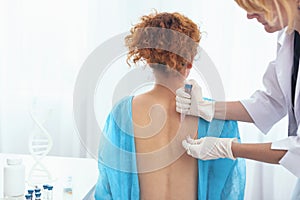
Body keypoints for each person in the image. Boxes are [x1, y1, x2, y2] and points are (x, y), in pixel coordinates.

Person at [95, 11, 246, 199]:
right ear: (189, 63)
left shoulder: (122, 113)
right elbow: (231, 189)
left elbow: (107, 185)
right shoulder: (218, 117)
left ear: (147, 59)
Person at [176, 0, 300, 199]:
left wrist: (228, 148)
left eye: (256, 5)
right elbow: (272, 102)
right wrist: (205, 108)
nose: (249, 15)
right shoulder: (290, 37)